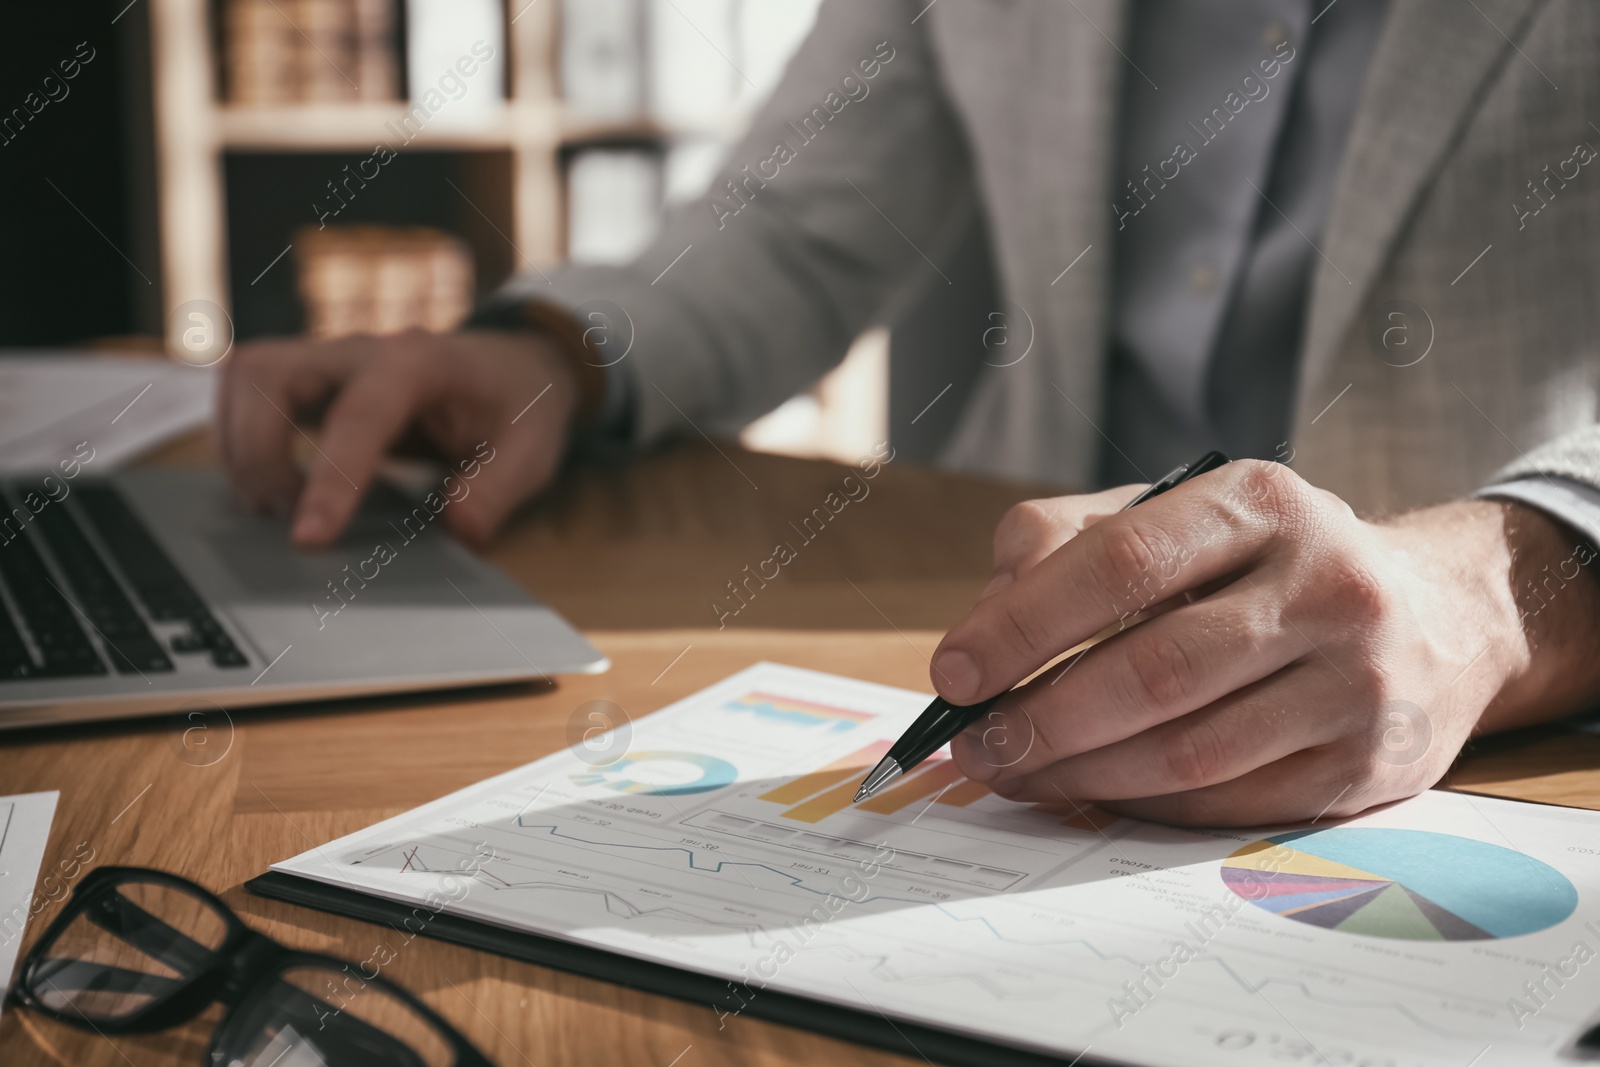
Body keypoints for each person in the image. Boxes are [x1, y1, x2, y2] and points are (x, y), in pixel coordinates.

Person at [218, 0, 1600, 825]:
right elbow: (800, 221)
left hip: (1515, 753)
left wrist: (1504, 590)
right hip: (1033, 681)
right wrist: (558, 352)